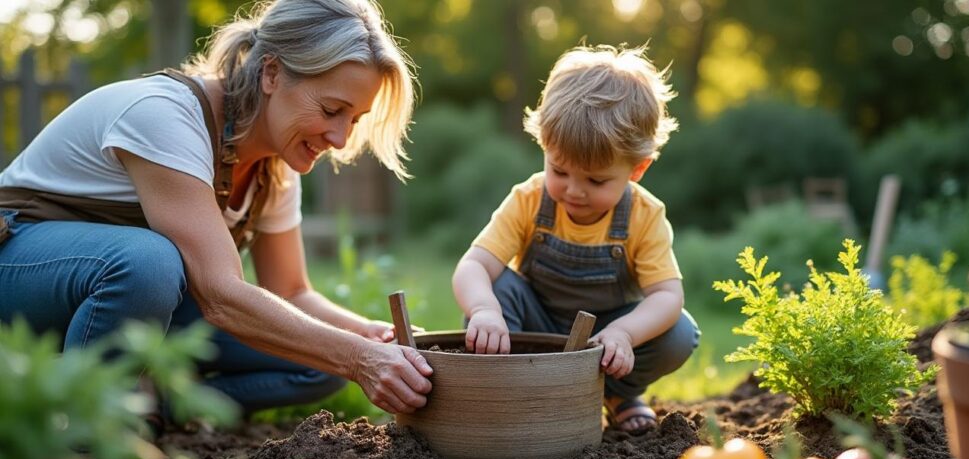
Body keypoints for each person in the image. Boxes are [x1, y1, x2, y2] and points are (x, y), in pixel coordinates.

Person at [0, 0, 433, 419]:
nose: (340, 138)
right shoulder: (167, 117)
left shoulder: (276, 167)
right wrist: (359, 358)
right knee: (148, 263)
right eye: (331, 110)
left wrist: (372, 338)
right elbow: (221, 295)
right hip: (20, 263)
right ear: (272, 73)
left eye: (354, 119)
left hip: (130, 300)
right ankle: (86, 423)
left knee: (320, 359)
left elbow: (292, 293)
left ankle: (149, 407)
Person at [451, 44, 700, 434]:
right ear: (545, 148)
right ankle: (511, 395)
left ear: (637, 169)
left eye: (596, 180)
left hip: (605, 341)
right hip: (534, 333)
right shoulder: (530, 199)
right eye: (559, 170)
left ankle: (618, 394)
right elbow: (474, 265)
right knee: (496, 282)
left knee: (680, 333)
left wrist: (624, 333)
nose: (573, 191)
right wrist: (484, 309)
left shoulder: (644, 215)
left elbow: (668, 296)